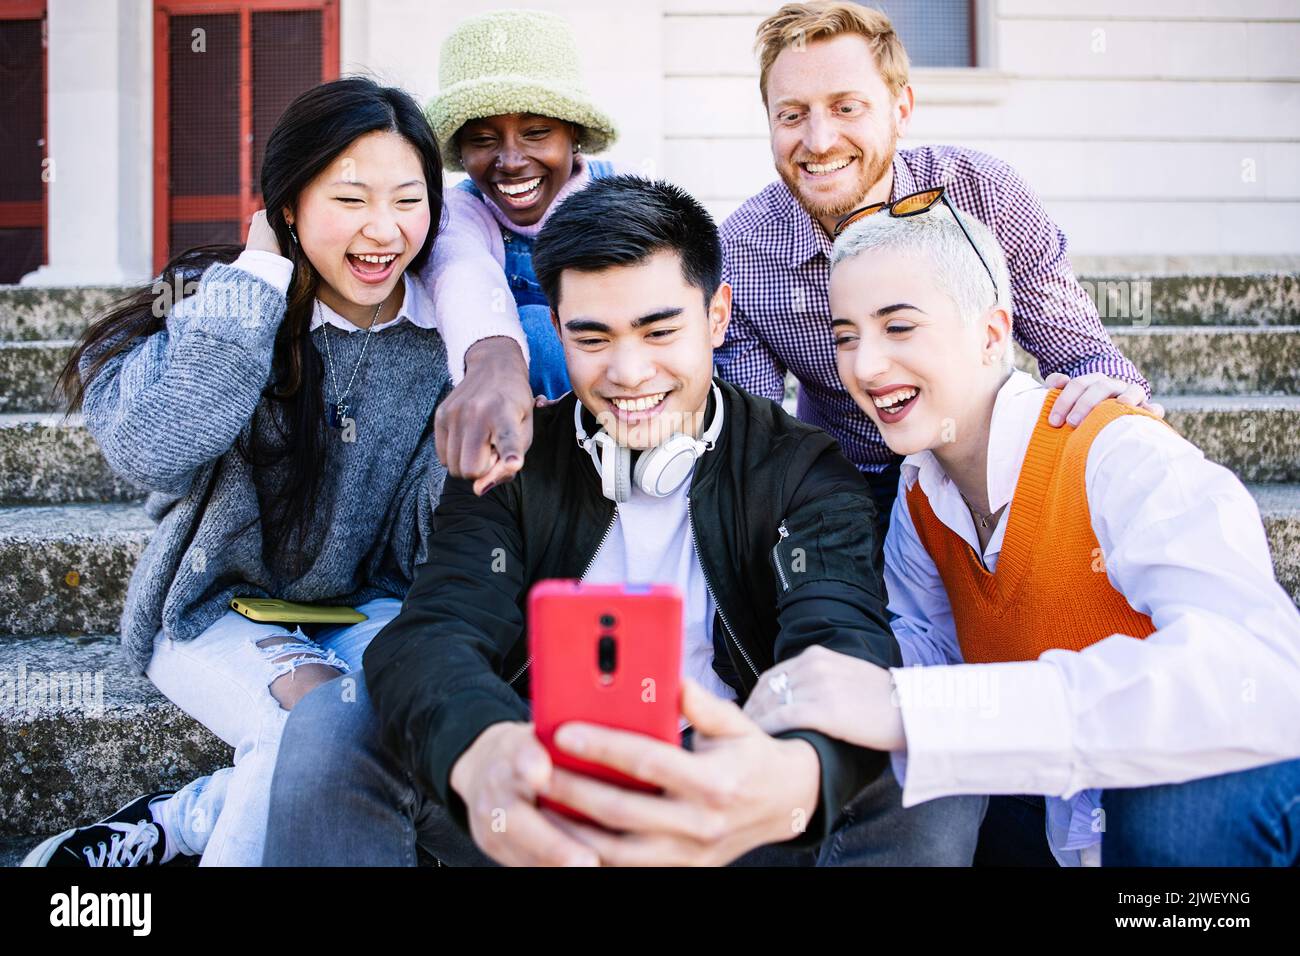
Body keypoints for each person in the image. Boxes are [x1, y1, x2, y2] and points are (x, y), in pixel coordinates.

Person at [263, 176, 986, 867]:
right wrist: (485, 749)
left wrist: (793, 768)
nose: (629, 372)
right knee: (335, 723)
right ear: (557, 333)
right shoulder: (512, 464)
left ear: (718, 316)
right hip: (543, 809)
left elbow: (843, 642)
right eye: (593, 338)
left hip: (733, 811)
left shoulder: (798, 469)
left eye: (658, 331)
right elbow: (434, 633)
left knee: (929, 761)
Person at [23, 77, 531, 868]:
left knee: (386, 718)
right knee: (308, 724)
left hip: (366, 609)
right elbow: (151, 449)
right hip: (211, 608)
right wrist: (257, 285)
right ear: (288, 207)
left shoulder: (437, 340)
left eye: (407, 200)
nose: (382, 230)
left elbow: (423, 528)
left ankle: (189, 817)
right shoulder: (225, 309)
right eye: (350, 199)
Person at [745, 193, 1300, 866]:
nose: (864, 367)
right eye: (844, 336)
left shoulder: (1119, 452)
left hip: (1232, 792)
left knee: (1172, 813)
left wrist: (915, 709)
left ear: (990, 333)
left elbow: (1260, 672)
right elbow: (926, 651)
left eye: (899, 327)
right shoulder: (922, 495)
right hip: (1067, 812)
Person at [715, 1, 1160, 546]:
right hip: (855, 485)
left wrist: (1118, 407)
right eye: (791, 114)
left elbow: (1082, 354)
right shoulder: (740, 252)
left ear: (901, 108)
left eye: (847, 107)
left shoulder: (985, 194)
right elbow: (754, 436)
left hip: (989, 468)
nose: (820, 139)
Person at [428, 7, 621, 400]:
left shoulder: (626, 196)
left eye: (536, 133)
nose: (511, 161)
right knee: (535, 328)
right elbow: (462, 274)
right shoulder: (459, 214)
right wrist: (495, 367)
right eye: (482, 140)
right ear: (460, 152)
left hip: (627, 402)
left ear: (575, 134)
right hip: (511, 418)